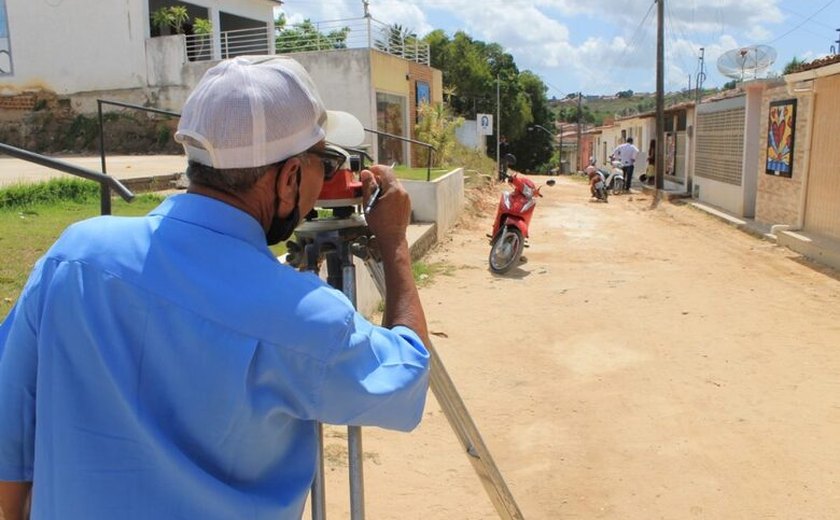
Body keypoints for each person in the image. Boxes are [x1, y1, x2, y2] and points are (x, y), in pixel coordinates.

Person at [0, 56, 431, 520]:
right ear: (289, 178)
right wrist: (395, 243)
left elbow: (10, 435)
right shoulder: (304, 317)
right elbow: (408, 378)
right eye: (321, 165)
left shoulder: (73, 257)